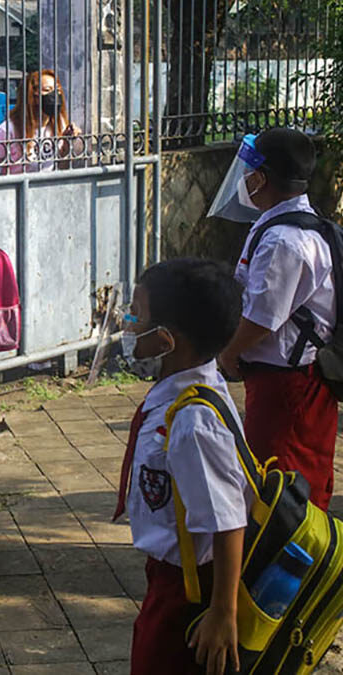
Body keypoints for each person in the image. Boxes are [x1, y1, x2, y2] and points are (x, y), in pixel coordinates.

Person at [114, 258, 249, 675]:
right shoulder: (185, 389)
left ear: (167, 341)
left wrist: (222, 614)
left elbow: (228, 519)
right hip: (170, 579)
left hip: (190, 591)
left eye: (137, 315)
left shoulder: (193, 422)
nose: (127, 323)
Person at [217, 128, 337, 510]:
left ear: (261, 178)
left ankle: (292, 567)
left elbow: (261, 318)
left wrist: (228, 354)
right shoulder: (290, 223)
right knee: (286, 480)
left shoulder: (284, 240)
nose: (244, 180)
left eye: (248, 172)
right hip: (288, 380)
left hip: (289, 386)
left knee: (281, 488)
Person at [0, 69, 83, 176]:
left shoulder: (59, 124)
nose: (55, 95)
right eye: (47, 90)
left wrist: (67, 143)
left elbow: (61, 167)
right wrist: (9, 189)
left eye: (58, 90)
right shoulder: (8, 130)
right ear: (33, 96)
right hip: (21, 190)